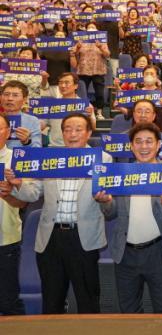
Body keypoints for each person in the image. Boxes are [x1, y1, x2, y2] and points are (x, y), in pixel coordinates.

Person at [10, 113, 112, 314]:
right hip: (51, 237)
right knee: (52, 300)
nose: (72, 134)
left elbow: (109, 205)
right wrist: (18, 184)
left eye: (78, 129)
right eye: (67, 129)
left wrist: (105, 200)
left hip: (83, 237)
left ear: (89, 133)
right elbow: (34, 192)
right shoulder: (51, 158)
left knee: (88, 299)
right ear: (62, 133)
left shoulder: (102, 159)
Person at [95, 122, 162, 313]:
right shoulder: (120, 173)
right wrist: (105, 201)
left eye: (149, 141)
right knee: (128, 311)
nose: (144, 146)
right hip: (125, 252)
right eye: (138, 142)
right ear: (131, 146)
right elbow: (111, 212)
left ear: (158, 145)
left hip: (158, 252)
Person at [0, 113, 27, 315]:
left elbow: (24, 203)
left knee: (8, 301)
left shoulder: (16, 160)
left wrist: (8, 194)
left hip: (6, 239)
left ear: (8, 132)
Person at [43, 73, 97, 146]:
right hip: (56, 147)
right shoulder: (52, 105)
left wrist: (90, 117)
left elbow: (93, 127)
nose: (63, 86)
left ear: (76, 86)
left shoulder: (85, 105)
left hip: (78, 147)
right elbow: (41, 125)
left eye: (67, 83)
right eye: (60, 83)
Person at [71, 22, 111, 120]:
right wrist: (78, 47)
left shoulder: (102, 40)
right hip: (83, 70)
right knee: (81, 92)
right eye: (89, 27)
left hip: (98, 70)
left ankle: (99, 112)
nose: (91, 29)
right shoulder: (81, 40)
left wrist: (100, 47)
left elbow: (107, 55)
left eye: (93, 27)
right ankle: (81, 111)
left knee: (99, 92)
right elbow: (73, 53)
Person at [1, 80, 42, 148]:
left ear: (24, 100)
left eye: (15, 95)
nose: (10, 98)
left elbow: (37, 149)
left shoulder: (32, 121)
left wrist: (27, 141)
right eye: (6, 94)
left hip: (21, 155)